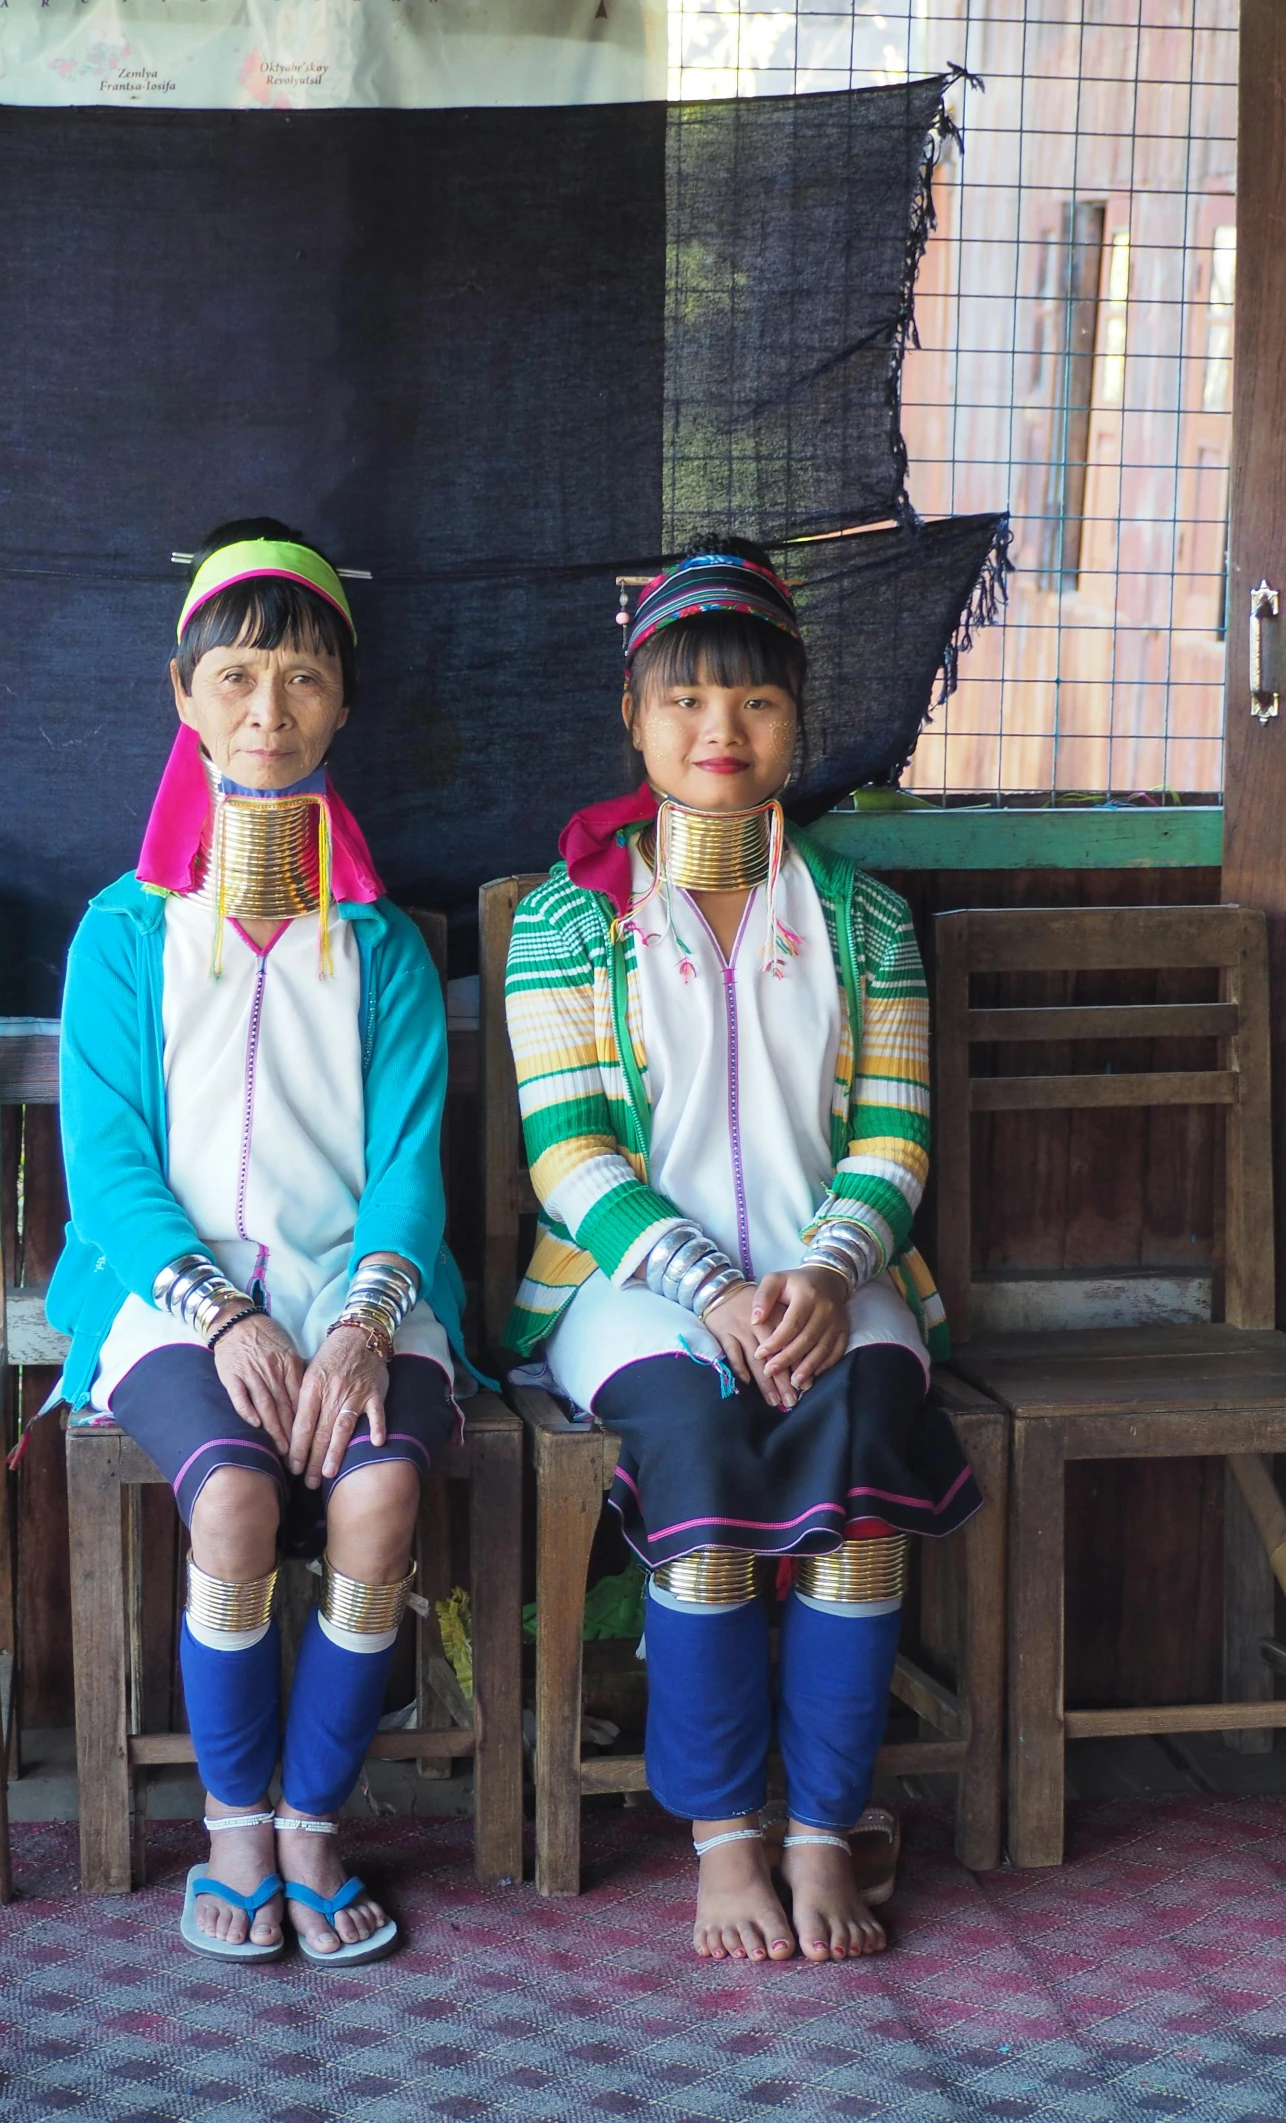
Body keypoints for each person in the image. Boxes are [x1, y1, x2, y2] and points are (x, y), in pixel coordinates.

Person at [504, 538, 979, 1967]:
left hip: (848, 1284)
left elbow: (892, 1142)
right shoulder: (567, 923)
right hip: (629, 1296)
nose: (720, 733)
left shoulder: (865, 921)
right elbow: (570, 1154)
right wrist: (710, 1290)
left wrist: (830, 1276)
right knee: (696, 1461)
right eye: (686, 703)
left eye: (756, 704)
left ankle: (823, 1829)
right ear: (634, 722)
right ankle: (723, 1842)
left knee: (865, 1467)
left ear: (799, 722)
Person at [47, 519, 467, 1967]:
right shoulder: (123, 935)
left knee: (376, 1502)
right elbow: (104, 1170)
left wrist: (357, 1326)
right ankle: (235, 1822)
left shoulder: (385, 945)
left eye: (299, 681)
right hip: (171, 1305)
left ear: (343, 703)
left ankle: (310, 1815)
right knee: (229, 1505)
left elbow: (410, 1167)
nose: (267, 714)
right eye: (234, 678)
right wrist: (226, 1319)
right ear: (184, 698)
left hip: (367, 1304)